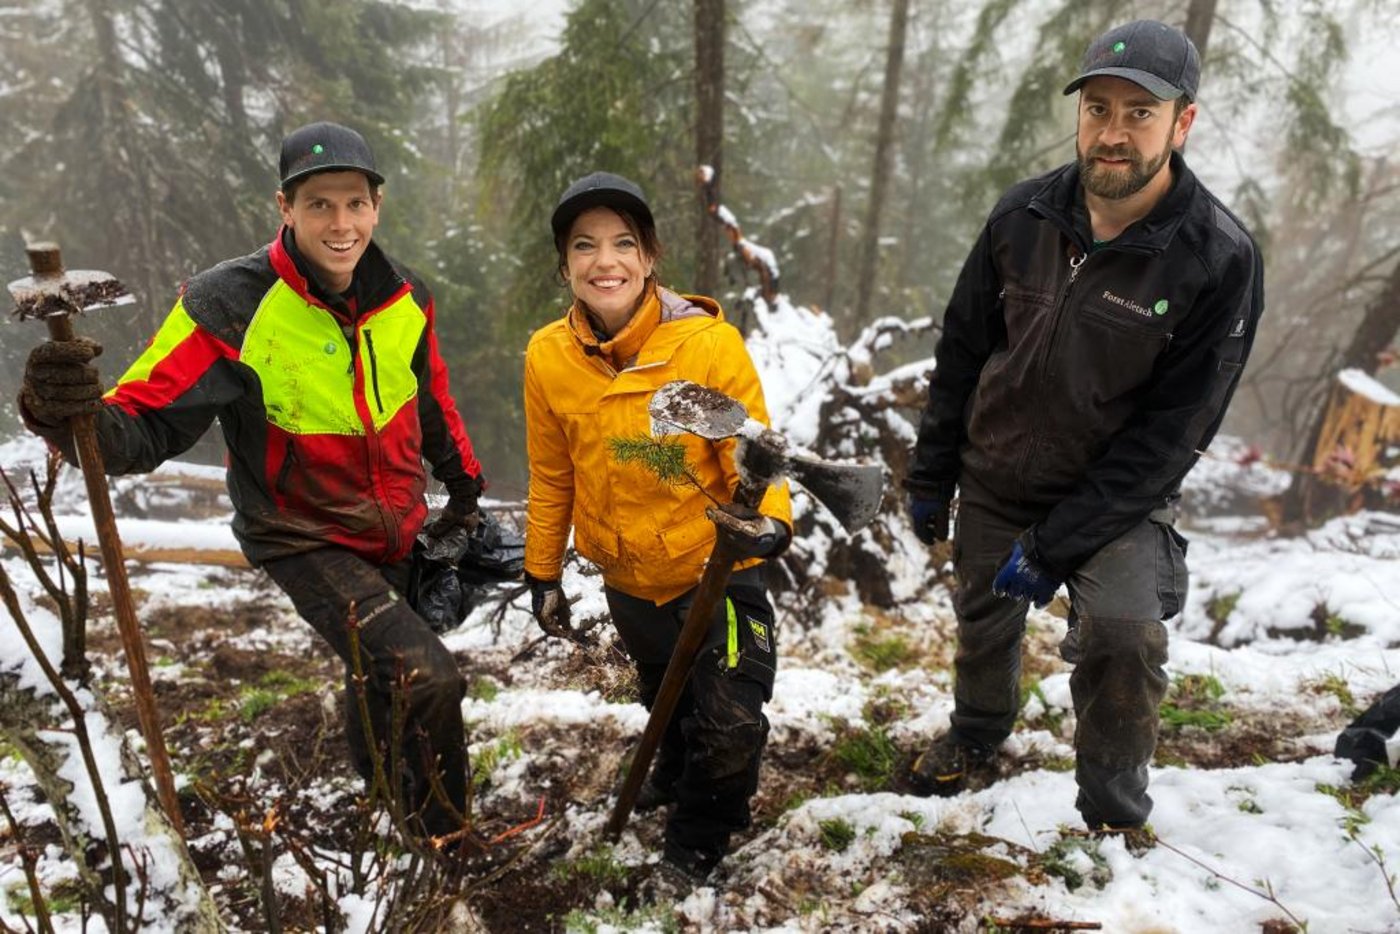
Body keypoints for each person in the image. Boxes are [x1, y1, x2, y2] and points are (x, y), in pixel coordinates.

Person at [19, 121, 485, 847]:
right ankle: (445, 843)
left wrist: (463, 488)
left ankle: (386, 806)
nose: (340, 223)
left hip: (392, 525)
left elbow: (429, 401)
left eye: (355, 203)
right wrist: (63, 413)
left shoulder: (406, 299)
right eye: (320, 204)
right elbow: (144, 423)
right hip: (299, 534)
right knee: (426, 677)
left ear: (377, 207)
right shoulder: (228, 304)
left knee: (376, 674)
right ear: (285, 206)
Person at [904, 20, 1264, 836]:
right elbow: (963, 350)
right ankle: (977, 733)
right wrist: (931, 476)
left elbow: (1175, 434)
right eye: (1098, 107)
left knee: (1124, 636)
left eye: (1140, 113)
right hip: (996, 475)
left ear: (1184, 123)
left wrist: (1060, 542)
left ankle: (1111, 809)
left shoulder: (1216, 258)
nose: (1113, 131)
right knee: (983, 622)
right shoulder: (1021, 216)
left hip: (1118, 501)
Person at [522, 171, 793, 888]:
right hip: (627, 581)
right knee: (665, 704)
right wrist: (541, 571)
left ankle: (695, 848)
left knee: (729, 722)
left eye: (621, 244)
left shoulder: (706, 345)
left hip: (718, 573)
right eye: (584, 246)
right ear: (564, 265)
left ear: (648, 259)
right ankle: (676, 777)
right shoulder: (548, 357)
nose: (603, 261)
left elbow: (760, 453)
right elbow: (553, 475)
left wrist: (769, 525)